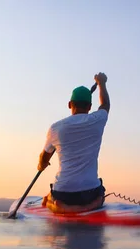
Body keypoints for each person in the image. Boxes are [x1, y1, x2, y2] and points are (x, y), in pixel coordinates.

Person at [37, 72, 110, 213]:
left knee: (47, 201)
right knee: (100, 193)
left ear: (70, 104)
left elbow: (43, 158)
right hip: (90, 194)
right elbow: (105, 104)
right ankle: (90, 206)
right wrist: (101, 83)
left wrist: (42, 165)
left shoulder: (55, 128)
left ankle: (59, 206)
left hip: (63, 194)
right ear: (89, 106)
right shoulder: (98, 120)